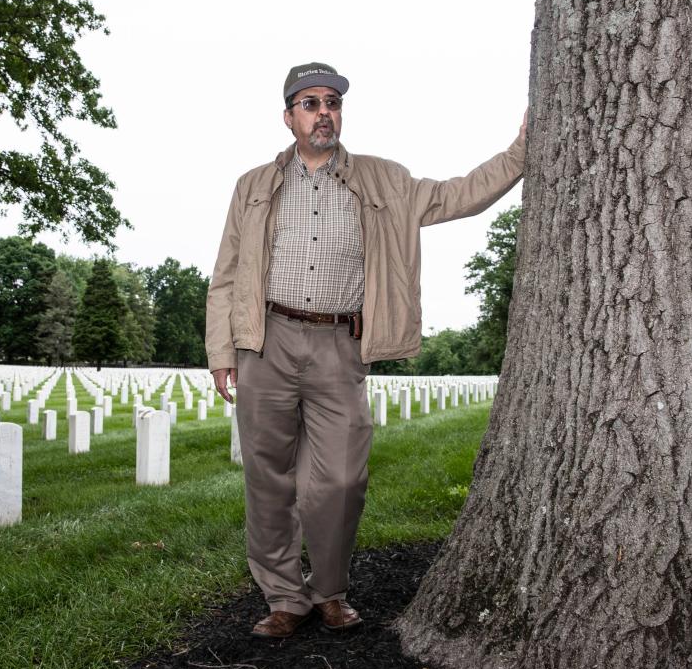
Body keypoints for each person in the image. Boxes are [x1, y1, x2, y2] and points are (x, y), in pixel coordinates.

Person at [205, 62, 526, 639]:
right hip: (267, 342)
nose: (323, 111)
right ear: (289, 117)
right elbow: (226, 272)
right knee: (268, 478)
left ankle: (328, 590)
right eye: (310, 103)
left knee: (341, 480)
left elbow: (459, 196)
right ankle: (283, 597)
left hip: (339, 345)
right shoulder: (252, 186)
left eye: (332, 102)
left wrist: (520, 152)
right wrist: (221, 351)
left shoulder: (384, 180)